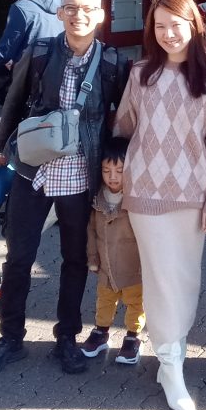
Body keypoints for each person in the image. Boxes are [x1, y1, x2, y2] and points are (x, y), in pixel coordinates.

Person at [0, 0, 128, 376]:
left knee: (75, 259)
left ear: (101, 15)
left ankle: (66, 338)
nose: (79, 15)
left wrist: (120, 166)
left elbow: (123, 119)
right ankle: (10, 338)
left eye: (87, 8)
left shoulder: (112, 62)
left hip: (81, 173)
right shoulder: (39, 51)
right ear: (60, 13)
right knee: (19, 256)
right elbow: (14, 101)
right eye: (71, 8)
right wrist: (2, 143)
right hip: (33, 168)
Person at [114, 0, 206, 410]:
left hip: (191, 195)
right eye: (159, 27)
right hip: (144, 192)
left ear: (193, 26)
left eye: (175, 26)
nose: (167, 34)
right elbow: (123, 126)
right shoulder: (141, 73)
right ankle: (170, 365)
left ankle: (173, 351)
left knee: (185, 278)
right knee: (162, 278)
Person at [83, 136, 145, 364]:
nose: (112, 177)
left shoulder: (135, 200)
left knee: (135, 303)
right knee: (104, 300)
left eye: (119, 171)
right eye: (106, 170)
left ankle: (133, 337)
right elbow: (91, 231)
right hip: (106, 267)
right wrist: (92, 257)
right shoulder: (97, 200)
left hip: (133, 268)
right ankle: (101, 331)